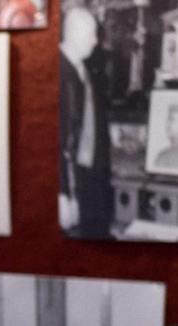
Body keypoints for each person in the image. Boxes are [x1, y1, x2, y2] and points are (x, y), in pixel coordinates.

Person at [58, 7, 113, 239]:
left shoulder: (85, 70)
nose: (95, 41)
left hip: (92, 177)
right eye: (91, 34)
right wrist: (61, 193)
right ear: (75, 33)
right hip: (71, 180)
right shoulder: (57, 72)